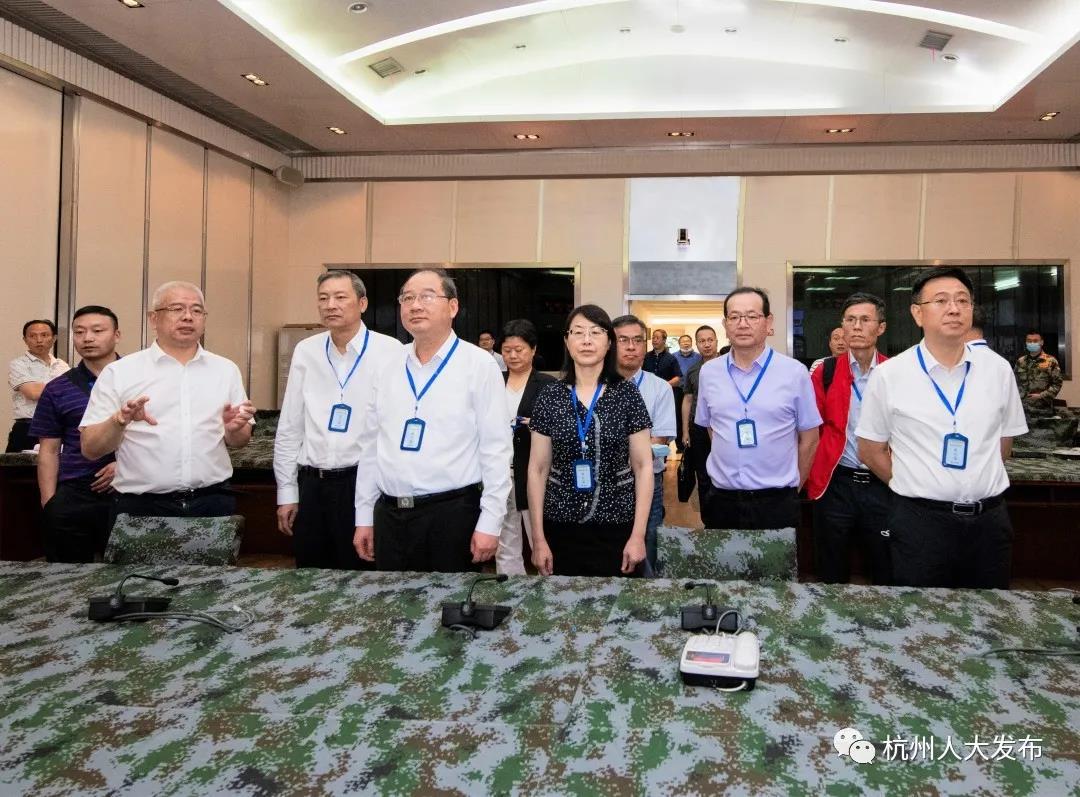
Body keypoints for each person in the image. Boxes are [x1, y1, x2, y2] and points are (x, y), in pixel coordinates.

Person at [857, 267, 1027, 589]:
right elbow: (870, 450)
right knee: (921, 614)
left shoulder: (998, 370)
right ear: (917, 313)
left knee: (990, 612)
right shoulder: (890, 375)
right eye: (941, 301)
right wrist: (914, 484)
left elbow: (1004, 443)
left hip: (989, 523)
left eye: (963, 300)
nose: (954, 309)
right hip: (920, 524)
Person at [352, 268, 512, 572]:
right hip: (389, 515)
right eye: (407, 298)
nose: (415, 305)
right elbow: (371, 445)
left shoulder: (478, 364)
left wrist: (490, 522)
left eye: (427, 297)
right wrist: (364, 516)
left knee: (450, 602)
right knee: (389, 601)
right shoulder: (387, 365)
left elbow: (496, 449)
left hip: (451, 516)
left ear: (452, 307)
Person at [80, 281, 254, 519]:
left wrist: (234, 430)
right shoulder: (120, 372)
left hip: (212, 503)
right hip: (142, 508)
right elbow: (90, 449)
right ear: (153, 319)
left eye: (196, 310)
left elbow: (239, 440)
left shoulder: (225, 370)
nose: (188, 317)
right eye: (177, 309)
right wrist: (119, 421)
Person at [274, 271, 403, 570]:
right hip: (313, 484)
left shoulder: (390, 351)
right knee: (310, 576)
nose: (330, 305)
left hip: (364, 484)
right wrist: (287, 491)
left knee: (362, 575)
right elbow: (291, 424)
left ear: (362, 303)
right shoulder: (306, 351)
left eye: (340, 297)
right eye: (323, 298)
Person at [526, 305, 652, 577]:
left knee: (617, 600)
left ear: (609, 343)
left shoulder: (627, 394)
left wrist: (638, 535)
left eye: (596, 332)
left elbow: (643, 467)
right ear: (566, 341)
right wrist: (538, 538)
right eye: (578, 332)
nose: (586, 340)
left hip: (617, 525)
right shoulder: (550, 396)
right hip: (560, 524)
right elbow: (537, 469)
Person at [696, 287, 821, 530]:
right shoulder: (709, 372)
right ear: (725, 324)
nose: (742, 324)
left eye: (752, 316)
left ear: (768, 322)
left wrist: (792, 489)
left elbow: (810, 439)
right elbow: (711, 428)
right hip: (722, 500)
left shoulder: (794, 372)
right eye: (734, 317)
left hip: (777, 502)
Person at [806, 293, 891, 584]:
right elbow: (812, 430)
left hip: (883, 483)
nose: (856, 326)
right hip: (836, 483)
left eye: (865, 320)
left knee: (886, 565)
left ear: (880, 327)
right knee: (830, 568)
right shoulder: (825, 372)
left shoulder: (895, 372)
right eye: (850, 320)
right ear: (842, 326)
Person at [30, 306, 120, 562]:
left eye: (97, 331)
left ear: (117, 335)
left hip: (132, 492)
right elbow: (48, 450)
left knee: (129, 575)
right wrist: (49, 503)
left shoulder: (141, 378)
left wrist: (124, 465)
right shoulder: (57, 388)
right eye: (79, 332)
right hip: (76, 490)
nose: (87, 338)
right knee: (66, 573)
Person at [613, 314, 676, 575]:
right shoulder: (597, 386)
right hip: (606, 484)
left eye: (638, 340)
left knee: (647, 548)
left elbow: (659, 439)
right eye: (623, 340)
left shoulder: (660, 388)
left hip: (648, 481)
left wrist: (613, 450)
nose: (631, 347)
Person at [497, 318, 555, 575]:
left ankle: (550, 587)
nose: (513, 356)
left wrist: (539, 426)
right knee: (505, 538)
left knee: (540, 536)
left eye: (519, 350)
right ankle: (509, 587)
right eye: (507, 350)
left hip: (533, 470)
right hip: (500, 472)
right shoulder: (493, 381)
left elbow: (560, 429)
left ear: (533, 350)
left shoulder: (548, 385)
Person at [7, 320, 68, 452]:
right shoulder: (18, 364)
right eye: (33, 336)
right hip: (28, 427)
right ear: (25, 340)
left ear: (54, 338)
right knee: (19, 466)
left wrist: (47, 388)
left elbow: (72, 394)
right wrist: (64, 387)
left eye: (44, 335)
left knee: (56, 465)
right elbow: (33, 393)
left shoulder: (62, 365)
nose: (39, 340)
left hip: (59, 427)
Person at [681, 325, 720, 503]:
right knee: (703, 474)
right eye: (702, 341)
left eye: (710, 340)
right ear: (696, 344)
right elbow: (688, 399)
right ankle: (707, 514)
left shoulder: (729, 365)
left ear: (716, 341)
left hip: (722, 426)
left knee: (723, 471)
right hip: (698, 427)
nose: (707, 344)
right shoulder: (693, 370)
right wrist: (685, 431)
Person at [1014, 330, 1062, 415]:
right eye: (1029, 341)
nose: (1032, 343)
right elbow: (1014, 383)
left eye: (1035, 341)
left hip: (1043, 410)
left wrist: (1041, 396)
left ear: (1041, 342)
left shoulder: (1051, 361)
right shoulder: (1020, 361)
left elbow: (1057, 384)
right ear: (1026, 342)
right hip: (1022, 410)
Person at [672, 334, 701, 453]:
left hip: (694, 391)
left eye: (688, 341)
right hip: (678, 390)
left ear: (692, 343)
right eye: (683, 341)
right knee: (678, 417)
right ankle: (680, 445)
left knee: (694, 416)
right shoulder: (673, 357)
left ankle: (693, 443)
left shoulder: (698, 357)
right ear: (679, 344)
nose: (686, 343)